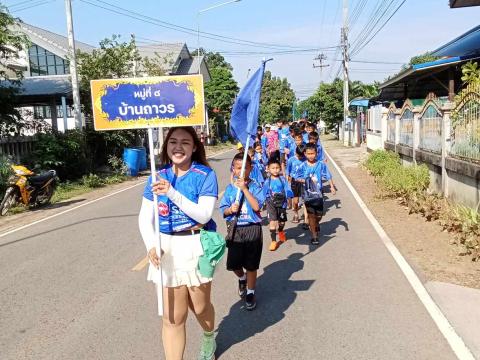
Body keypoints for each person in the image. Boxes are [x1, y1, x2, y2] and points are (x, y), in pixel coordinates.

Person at [138, 126, 218, 360]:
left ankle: (208, 335)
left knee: (200, 307)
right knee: (172, 317)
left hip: (195, 246)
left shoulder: (205, 175)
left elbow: (203, 215)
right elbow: (145, 217)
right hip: (166, 248)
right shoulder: (157, 176)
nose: (178, 147)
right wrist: (151, 244)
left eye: (185, 142)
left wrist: (171, 192)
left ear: (194, 147)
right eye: (173, 141)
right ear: (166, 147)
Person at [219, 153, 265, 310]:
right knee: (234, 264)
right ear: (233, 169)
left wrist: (245, 189)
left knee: (252, 265)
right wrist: (230, 210)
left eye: (245, 167)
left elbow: (257, 207)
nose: (241, 171)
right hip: (236, 229)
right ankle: (242, 278)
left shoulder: (256, 187)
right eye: (238, 167)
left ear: (251, 169)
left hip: (252, 229)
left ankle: (250, 292)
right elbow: (223, 210)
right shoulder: (230, 189)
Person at [299, 143, 336, 245]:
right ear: (305, 154)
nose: (311, 155)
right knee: (311, 215)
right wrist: (308, 181)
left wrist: (332, 187)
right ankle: (314, 237)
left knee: (319, 215)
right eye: (308, 153)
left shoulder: (321, 164)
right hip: (307, 194)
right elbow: (297, 177)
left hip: (318, 194)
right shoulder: (302, 166)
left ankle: (316, 223)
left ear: (316, 153)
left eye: (313, 153)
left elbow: (328, 176)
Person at [263, 157, 291, 251]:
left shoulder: (283, 180)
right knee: (272, 221)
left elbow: (287, 189)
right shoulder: (267, 182)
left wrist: (289, 197)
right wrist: (261, 203)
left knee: (282, 222)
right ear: (268, 169)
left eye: (277, 168)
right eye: (273, 168)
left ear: (280, 168)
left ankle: (281, 231)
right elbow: (263, 193)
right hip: (271, 203)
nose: (275, 170)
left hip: (282, 203)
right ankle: (273, 241)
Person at [286, 144, 306, 223]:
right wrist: (288, 179)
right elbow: (288, 170)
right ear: (296, 153)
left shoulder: (305, 159)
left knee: (305, 200)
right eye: (299, 156)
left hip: (304, 181)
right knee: (296, 201)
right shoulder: (291, 160)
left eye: (302, 156)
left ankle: (306, 217)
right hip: (295, 182)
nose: (301, 158)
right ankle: (296, 214)